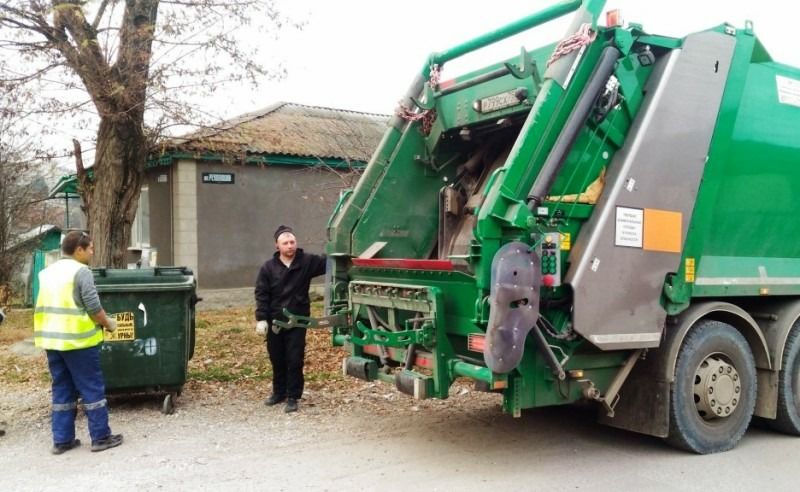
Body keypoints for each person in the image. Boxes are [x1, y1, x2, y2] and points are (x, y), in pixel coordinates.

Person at [33, 231, 123, 454]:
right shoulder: (80, 272)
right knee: (91, 388)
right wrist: (109, 323)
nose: (93, 252)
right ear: (79, 250)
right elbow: (93, 307)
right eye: (90, 248)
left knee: (62, 388)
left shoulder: (46, 273)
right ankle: (101, 437)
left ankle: (62, 440)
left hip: (53, 341)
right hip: (78, 342)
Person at [255, 225, 326, 413]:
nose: (290, 246)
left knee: (295, 359)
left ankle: (293, 396)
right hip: (275, 321)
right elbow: (262, 293)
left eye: (292, 242)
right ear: (277, 246)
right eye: (285, 243)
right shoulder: (268, 268)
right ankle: (279, 392)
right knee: (277, 358)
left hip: (298, 319)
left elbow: (330, 263)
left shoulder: (307, 262)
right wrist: (261, 319)